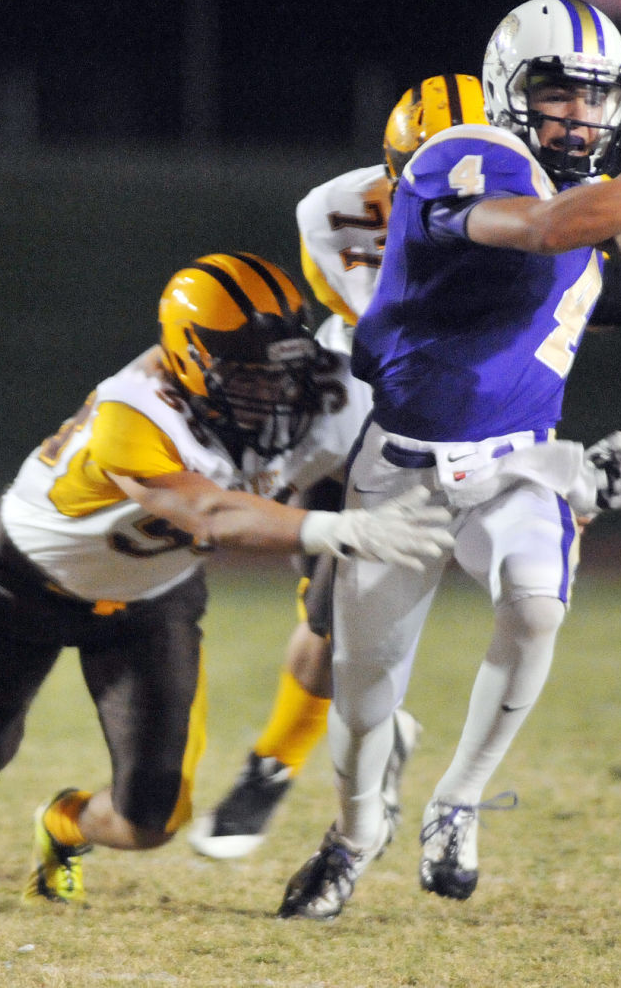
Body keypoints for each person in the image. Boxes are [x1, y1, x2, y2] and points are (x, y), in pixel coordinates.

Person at [274, 0, 621, 921]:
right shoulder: (469, 157)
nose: (578, 116)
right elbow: (544, 230)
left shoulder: (574, 194)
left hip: (516, 460)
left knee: (536, 608)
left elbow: (605, 259)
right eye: (557, 92)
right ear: (509, 89)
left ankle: (457, 801)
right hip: (405, 468)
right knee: (364, 700)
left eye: (596, 97)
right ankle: (352, 834)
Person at [0, 251, 454, 906]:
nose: (274, 388)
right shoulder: (134, 408)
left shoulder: (333, 393)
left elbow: (435, 459)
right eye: (249, 373)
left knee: (149, 822)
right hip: (21, 584)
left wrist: (554, 485)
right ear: (189, 360)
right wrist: (333, 530)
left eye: (284, 368)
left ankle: (62, 824)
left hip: (150, 602)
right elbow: (208, 511)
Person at [188, 74, 490, 859]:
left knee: (341, 627)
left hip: (459, 420)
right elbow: (390, 328)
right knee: (323, 628)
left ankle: (277, 763)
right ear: (393, 165)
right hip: (352, 410)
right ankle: (312, 752)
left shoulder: (537, 203)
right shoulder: (334, 210)